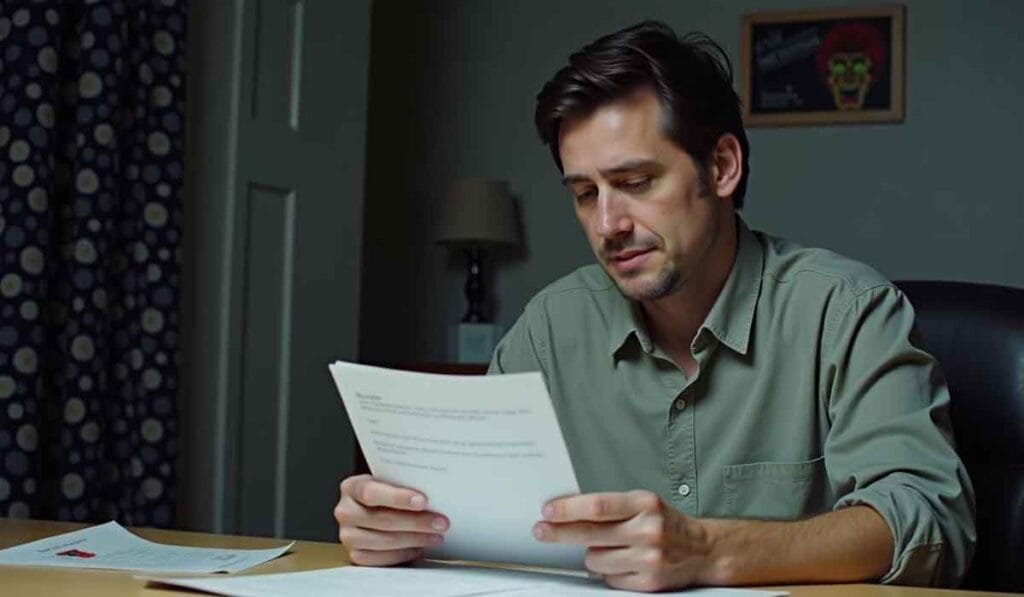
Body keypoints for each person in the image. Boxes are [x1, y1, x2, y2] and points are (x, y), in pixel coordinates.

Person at [333, 21, 975, 591]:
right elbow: (480, 529)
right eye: (584, 193)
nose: (608, 224)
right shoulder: (550, 329)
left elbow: (930, 525)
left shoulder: (847, 313)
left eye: (636, 183)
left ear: (721, 167)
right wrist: (399, 531)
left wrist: (709, 549)